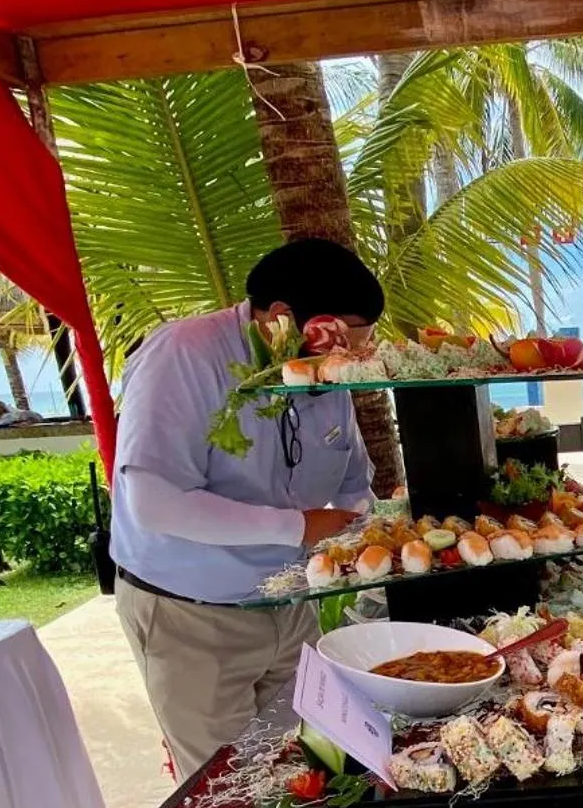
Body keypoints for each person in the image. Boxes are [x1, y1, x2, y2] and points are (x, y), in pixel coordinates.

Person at [110, 236, 383, 780]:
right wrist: (299, 526)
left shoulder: (324, 371)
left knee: (316, 765)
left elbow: (354, 481)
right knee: (230, 787)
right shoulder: (183, 355)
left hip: (288, 601)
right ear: (280, 319)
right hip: (192, 616)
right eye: (340, 347)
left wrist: (374, 551)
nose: (347, 363)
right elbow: (155, 502)